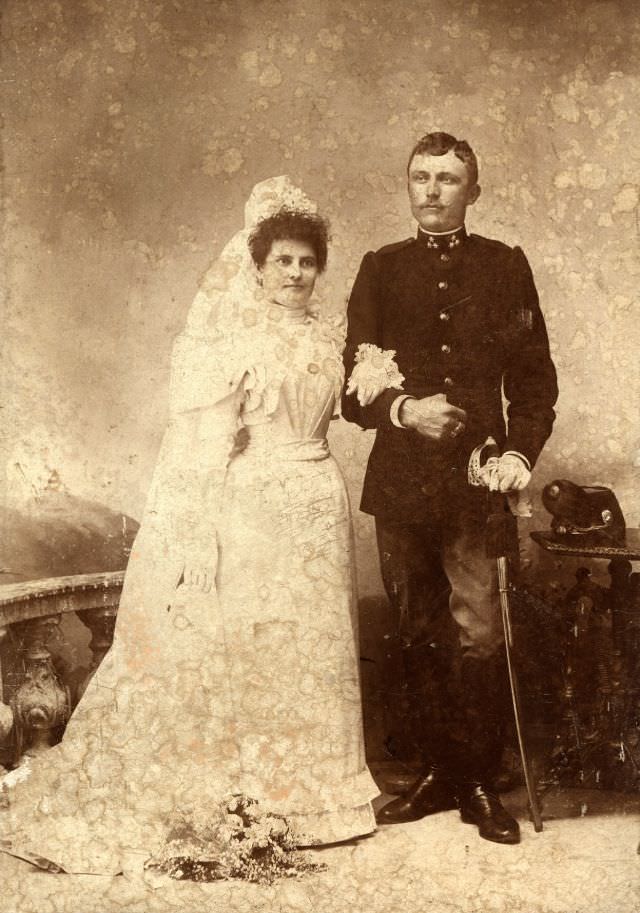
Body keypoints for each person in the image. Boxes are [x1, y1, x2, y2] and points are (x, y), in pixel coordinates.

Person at [1, 176, 378, 876]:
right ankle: (263, 797)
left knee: (312, 647)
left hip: (319, 501)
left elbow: (356, 401)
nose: (295, 273)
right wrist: (201, 535)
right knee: (260, 649)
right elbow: (203, 446)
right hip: (255, 506)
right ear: (258, 267)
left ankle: (320, 798)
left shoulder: (333, 336)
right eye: (283, 261)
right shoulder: (230, 341)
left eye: (306, 262)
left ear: (319, 268)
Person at [342, 132, 558, 845]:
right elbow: (353, 384)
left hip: (476, 476)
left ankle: (476, 781)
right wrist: (404, 409)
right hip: (401, 482)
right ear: (408, 187)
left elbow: (533, 379)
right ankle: (436, 772)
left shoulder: (505, 266)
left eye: (449, 179)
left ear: (474, 189)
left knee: (479, 632)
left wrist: (520, 453)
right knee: (417, 629)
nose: (432, 190)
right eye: (421, 177)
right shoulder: (380, 269)